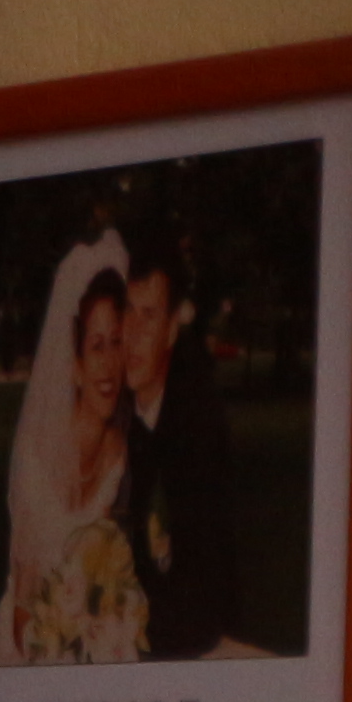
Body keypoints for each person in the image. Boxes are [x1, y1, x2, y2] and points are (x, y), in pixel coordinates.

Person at [0, 242, 147, 664]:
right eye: (96, 346)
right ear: (74, 363)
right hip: (29, 647)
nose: (109, 365)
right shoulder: (37, 460)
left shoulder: (122, 452)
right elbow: (23, 613)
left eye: (117, 344)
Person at [116, 213, 239, 659]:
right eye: (128, 311)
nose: (132, 334)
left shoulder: (196, 428)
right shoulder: (113, 412)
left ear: (171, 328)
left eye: (148, 316)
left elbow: (202, 593)